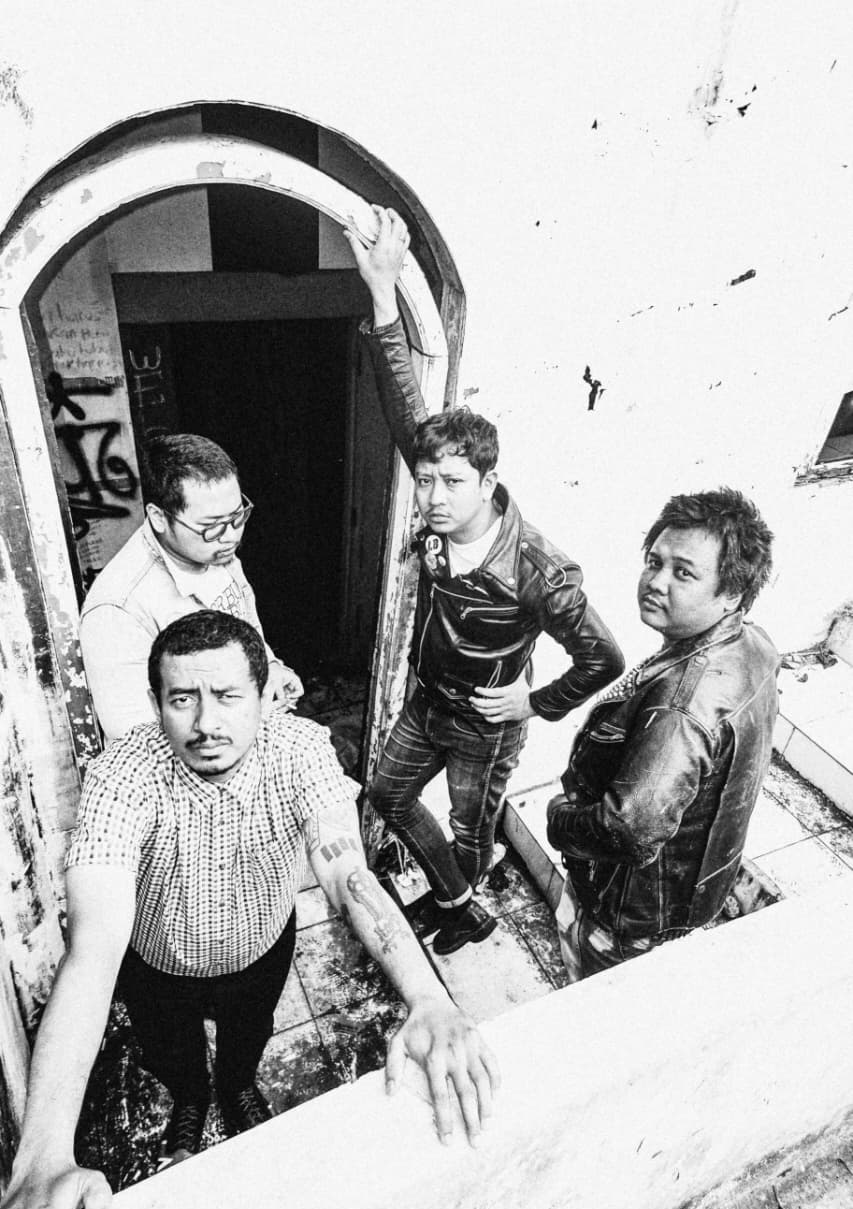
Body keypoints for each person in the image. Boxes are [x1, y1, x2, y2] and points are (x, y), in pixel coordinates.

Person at [0, 610, 499, 1209]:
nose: (206, 723)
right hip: (158, 966)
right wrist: (40, 1156)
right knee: (171, 1053)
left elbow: (349, 876)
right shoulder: (121, 775)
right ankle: (189, 1103)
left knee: (247, 1040)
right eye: (183, 698)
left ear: (265, 697)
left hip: (258, 953)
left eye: (228, 696)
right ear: (155, 702)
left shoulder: (302, 751)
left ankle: (236, 1090)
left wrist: (429, 999)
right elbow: (93, 950)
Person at [344, 208, 624, 956]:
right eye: (425, 480)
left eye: (452, 483)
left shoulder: (535, 566)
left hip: (484, 724)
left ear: (488, 482)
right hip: (428, 701)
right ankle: (460, 901)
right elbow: (402, 400)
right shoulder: (437, 501)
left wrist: (533, 701)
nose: (432, 497)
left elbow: (604, 657)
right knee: (386, 794)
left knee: (472, 828)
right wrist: (381, 291)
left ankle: (460, 902)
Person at [545, 488, 779, 981]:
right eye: (654, 562)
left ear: (732, 594)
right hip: (685, 894)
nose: (655, 581)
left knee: (596, 1007)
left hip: (624, 919)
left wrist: (559, 819)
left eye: (683, 573)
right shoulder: (752, 642)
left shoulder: (682, 707)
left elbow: (629, 829)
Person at [79, 432, 302, 741]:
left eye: (237, 516)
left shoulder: (213, 550)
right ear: (159, 518)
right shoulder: (118, 609)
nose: (231, 536)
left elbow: (245, 624)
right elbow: (135, 738)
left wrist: (271, 668)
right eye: (211, 526)